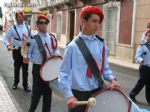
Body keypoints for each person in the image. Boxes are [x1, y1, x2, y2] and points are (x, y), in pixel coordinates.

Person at [58, 6, 120, 112]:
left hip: (98, 92)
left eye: (99, 22)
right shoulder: (72, 46)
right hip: (79, 96)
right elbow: (63, 74)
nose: (97, 26)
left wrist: (112, 80)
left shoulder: (101, 44)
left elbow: (105, 69)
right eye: (94, 21)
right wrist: (69, 96)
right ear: (83, 21)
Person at [27, 13, 60, 112]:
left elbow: (56, 49)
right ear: (37, 25)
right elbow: (27, 53)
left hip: (49, 68)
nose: (44, 25)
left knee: (48, 94)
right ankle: (31, 110)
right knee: (36, 93)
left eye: (46, 23)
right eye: (41, 23)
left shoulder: (52, 37)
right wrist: (27, 58)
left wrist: (56, 54)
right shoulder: (33, 39)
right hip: (38, 68)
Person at [3, 11, 31, 92]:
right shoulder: (12, 28)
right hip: (17, 50)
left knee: (25, 68)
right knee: (17, 67)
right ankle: (16, 83)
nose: (21, 18)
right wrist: (8, 44)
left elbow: (32, 37)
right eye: (19, 16)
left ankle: (25, 85)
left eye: (22, 16)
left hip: (25, 50)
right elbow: (5, 38)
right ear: (16, 18)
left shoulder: (28, 27)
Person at [129, 29, 150, 104]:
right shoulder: (142, 46)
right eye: (149, 36)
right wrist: (140, 59)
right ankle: (132, 95)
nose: (149, 37)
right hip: (144, 67)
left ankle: (149, 99)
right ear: (146, 36)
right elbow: (137, 56)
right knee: (141, 83)